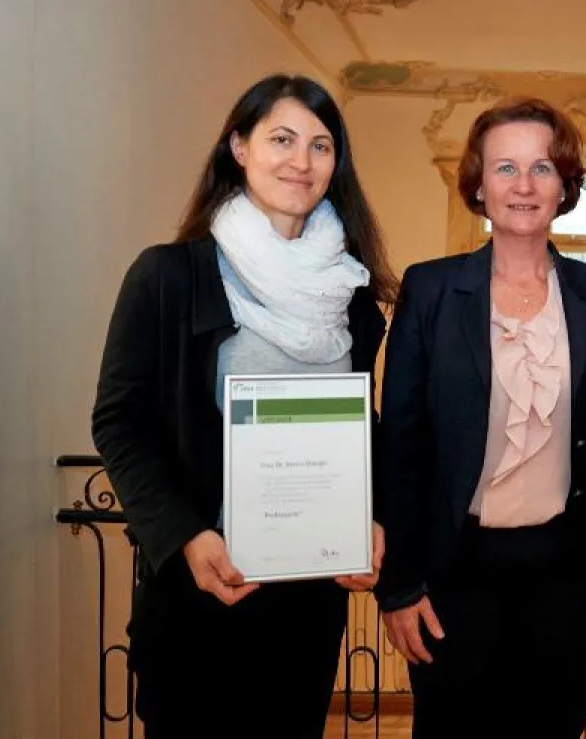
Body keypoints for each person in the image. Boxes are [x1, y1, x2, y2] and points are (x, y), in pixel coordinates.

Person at [91, 74, 397, 738]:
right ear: (238, 146)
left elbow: (360, 427)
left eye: (321, 146)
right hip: (199, 593)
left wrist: (371, 517)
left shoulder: (350, 297)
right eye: (281, 139)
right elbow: (119, 422)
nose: (301, 161)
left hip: (307, 607)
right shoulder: (169, 276)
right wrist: (185, 536)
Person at [375, 96, 586, 738]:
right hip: (453, 574)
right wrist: (398, 586)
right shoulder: (431, 290)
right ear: (476, 183)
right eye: (504, 168)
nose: (524, 186)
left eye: (542, 168)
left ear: (565, 186)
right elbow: (402, 447)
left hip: (565, 575)